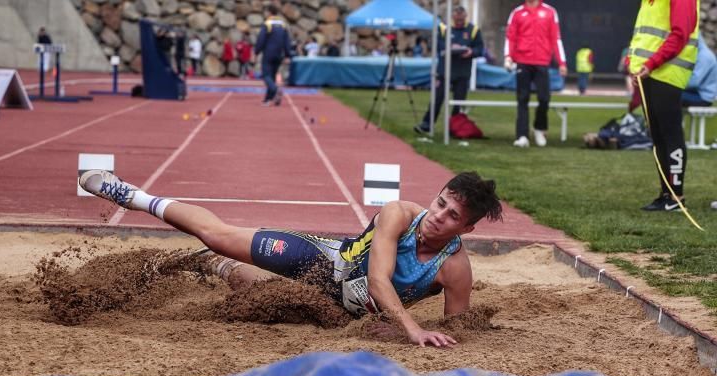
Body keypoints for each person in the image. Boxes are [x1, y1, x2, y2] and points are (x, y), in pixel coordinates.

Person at [78, 168, 502, 347]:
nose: (438, 217)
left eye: (452, 216)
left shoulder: (455, 270)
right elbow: (378, 280)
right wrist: (409, 326)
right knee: (220, 235)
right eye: (441, 202)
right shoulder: (399, 214)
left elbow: (455, 328)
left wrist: (436, 334)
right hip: (321, 261)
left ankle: (212, 265)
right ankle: (135, 196)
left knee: (255, 293)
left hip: (339, 315)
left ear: (467, 229)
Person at [628, 0, 698, 212]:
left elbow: (680, 34)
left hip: (667, 71)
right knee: (657, 135)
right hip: (649, 71)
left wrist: (650, 64)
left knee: (670, 133)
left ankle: (676, 196)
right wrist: (633, 64)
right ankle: (666, 194)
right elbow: (643, 35)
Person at [504, 0, 568, 148]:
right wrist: (508, 56)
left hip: (542, 61)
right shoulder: (517, 13)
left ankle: (539, 128)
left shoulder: (550, 12)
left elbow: (556, 39)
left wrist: (562, 63)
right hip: (522, 60)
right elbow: (511, 37)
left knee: (544, 98)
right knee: (522, 98)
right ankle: (522, 136)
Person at [414, 6, 483, 135]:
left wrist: (471, 52)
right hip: (444, 71)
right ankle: (427, 124)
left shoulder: (473, 30)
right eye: (457, 19)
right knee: (437, 98)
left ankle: (455, 127)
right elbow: (434, 44)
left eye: (461, 20)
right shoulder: (443, 28)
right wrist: (449, 47)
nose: (459, 22)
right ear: (452, 17)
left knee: (459, 101)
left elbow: (480, 49)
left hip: (462, 72)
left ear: (465, 17)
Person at [254, 5, 292, 106]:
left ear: (270, 12)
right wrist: (288, 55)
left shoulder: (267, 24)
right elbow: (287, 41)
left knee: (266, 75)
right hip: (279, 55)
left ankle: (275, 90)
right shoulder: (283, 24)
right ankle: (268, 99)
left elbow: (261, 40)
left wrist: (256, 52)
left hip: (268, 54)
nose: (265, 14)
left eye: (266, 12)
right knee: (271, 77)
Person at [682, 37, 716, 107]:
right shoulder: (701, 53)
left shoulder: (704, 57)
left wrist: (676, 84)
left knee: (671, 95)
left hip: (703, 98)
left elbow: (694, 82)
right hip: (697, 92)